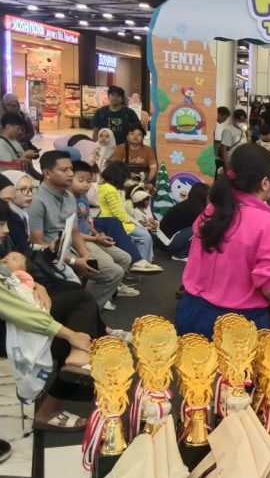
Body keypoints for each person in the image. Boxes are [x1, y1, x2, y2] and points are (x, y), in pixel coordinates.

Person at [0, 202, 101, 431]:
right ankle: (50, 408)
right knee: (76, 327)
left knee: (78, 307)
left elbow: (10, 278)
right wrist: (71, 335)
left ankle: (80, 356)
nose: (6, 230)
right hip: (9, 329)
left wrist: (37, 286)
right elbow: (20, 312)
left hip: (15, 316)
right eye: (1, 224)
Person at [174, 144, 270, 337]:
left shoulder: (213, 210)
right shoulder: (267, 223)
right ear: (265, 182)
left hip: (190, 310)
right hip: (238, 324)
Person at [29, 151, 130, 308]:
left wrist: (85, 255)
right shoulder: (37, 201)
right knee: (112, 272)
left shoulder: (68, 196)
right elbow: (38, 246)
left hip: (71, 249)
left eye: (71, 169)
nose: (70, 173)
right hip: (52, 257)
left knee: (116, 267)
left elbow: (74, 230)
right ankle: (85, 311)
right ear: (47, 173)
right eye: (64, 170)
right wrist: (75, 261)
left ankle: (87, 311)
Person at [96, 162, 162, 273]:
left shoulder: (102, 186)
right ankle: (142, 263)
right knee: (145, 236)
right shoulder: (111, 190)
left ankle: (141, 262)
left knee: (140, 234)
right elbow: (118, 213)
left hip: (109, 221)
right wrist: (131, 222)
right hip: (113, 222)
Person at [158, 182, 208, 261]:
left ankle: (182, 252)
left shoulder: (187, 204)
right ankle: (180, 254)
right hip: (168, 244)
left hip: (162, 240)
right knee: (199, 227)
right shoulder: (195, 209)